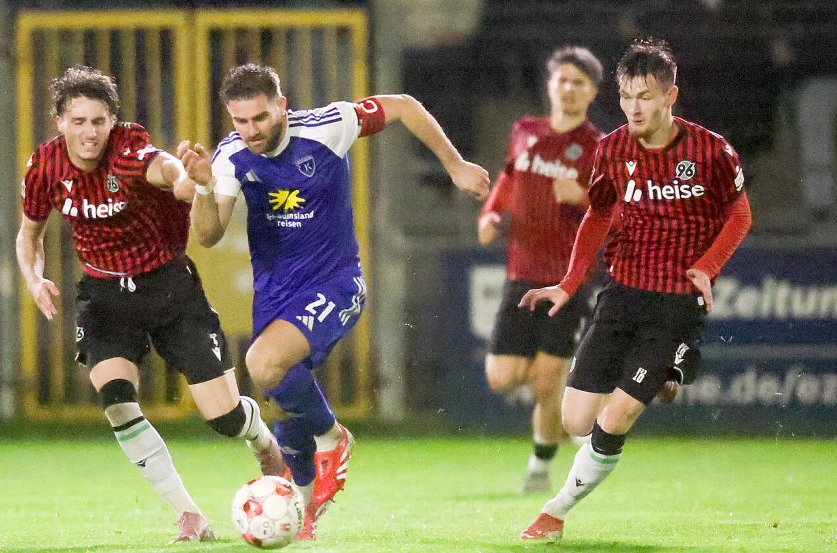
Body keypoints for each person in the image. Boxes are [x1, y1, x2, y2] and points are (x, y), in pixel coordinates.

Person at [178, 63, 490, 540]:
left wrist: (455, 165)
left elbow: (403, 107)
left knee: (262, 364)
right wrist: (202, 185)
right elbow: (208, 234)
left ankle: (334, 438)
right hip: (275, 296)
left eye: (259, 118)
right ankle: (301, 513)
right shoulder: (231, 156)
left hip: (336, 283)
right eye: (239, 121)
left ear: (281, 105)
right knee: (285, 407)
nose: (251, 131)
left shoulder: (329, 126)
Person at [15, 65, 284, 544]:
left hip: (169, 290)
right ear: (59, 121)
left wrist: (195, 180)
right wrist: (34, 278)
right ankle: (189, 514)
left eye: (99, 121)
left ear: (112, 121)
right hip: (104, 298)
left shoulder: (128, 151)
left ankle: (262, 439)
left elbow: (168, 173)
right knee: (116, 400)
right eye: (78, 121)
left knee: (223, 418)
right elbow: (28, 235)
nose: (89, 132)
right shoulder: (45, 167)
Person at [516, 38, 752, 543]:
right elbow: (598, 212)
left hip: (676, 301)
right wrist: (569, 281)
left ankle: (554, 512)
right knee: (577, 420)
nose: (633, 107)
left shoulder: (711, 150)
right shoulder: (613, 148)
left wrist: (708, 266)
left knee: (617, 415)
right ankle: (672, 367)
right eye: (625, 96)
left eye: (644, 96)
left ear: (670, 95)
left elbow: (739, 213)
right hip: (623, 293)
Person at [477, 46, 603, 493]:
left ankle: (539, 467)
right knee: (501, 377)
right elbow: (509, 180)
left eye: (578, 82)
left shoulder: (597, 147)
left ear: (592, 92)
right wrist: (491, 214)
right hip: (521, 272)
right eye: (561, 80)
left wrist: (583, 197)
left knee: (548, 380)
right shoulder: (525, 132)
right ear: (550, 85)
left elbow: (616, 208)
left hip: (568, 280)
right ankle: (562, 414)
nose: (568, 88)